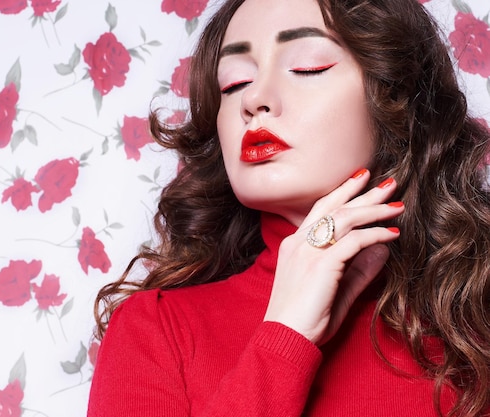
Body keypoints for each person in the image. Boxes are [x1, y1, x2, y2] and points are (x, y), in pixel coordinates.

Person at [88, 0, 490, 415]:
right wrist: (285, 336)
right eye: (233, 83)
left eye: (307, 68)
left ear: (397, 98)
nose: (254, 99)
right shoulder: (154, 329)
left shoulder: (476, 328)